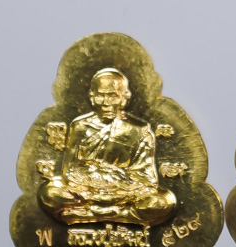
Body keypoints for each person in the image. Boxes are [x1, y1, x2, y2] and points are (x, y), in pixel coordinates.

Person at [38, 68, 176, 226]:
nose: (105, 103)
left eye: (112, 96)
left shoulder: (140, 130)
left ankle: (88, 214)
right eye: (100, 96)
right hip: (86, 192)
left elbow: (148, 180)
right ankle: (120, 214)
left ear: (124, 98)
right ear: (92, 97)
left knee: (163, 201)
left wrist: (115, 180)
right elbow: (69, 172)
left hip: (123, 193)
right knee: (49, 192)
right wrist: (93, 179)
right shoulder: (80, 126)